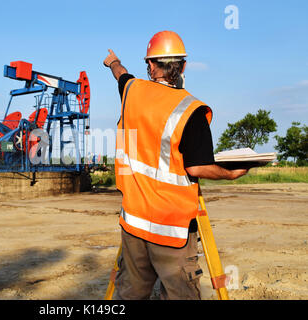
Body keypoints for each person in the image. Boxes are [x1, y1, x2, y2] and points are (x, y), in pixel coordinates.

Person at [103, 30, 248, 300]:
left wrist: (112, 60)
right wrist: (231, 173)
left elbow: (120, 73)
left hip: (133, 223)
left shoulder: (132, 90)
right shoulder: (191, 110)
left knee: (131, 294)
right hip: (172, 230)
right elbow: (197, 168)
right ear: (183, 66)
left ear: (150, 66)